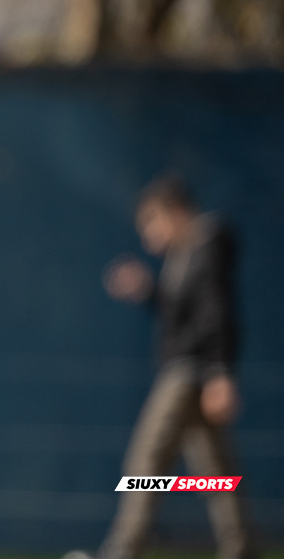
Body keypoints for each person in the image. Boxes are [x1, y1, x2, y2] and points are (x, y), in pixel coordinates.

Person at [96, 174, 253, 559]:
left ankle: (122, 549)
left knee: (145, 460)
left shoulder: (206, 246)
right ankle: (241, 548)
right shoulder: (184, 255)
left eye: (152, 223)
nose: (149, 236)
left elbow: (218, 313)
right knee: (216, 472)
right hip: (194, 370)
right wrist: (149, 290)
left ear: (176, 211)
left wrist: (220, 374)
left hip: (188, 374)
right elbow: (184, 314)